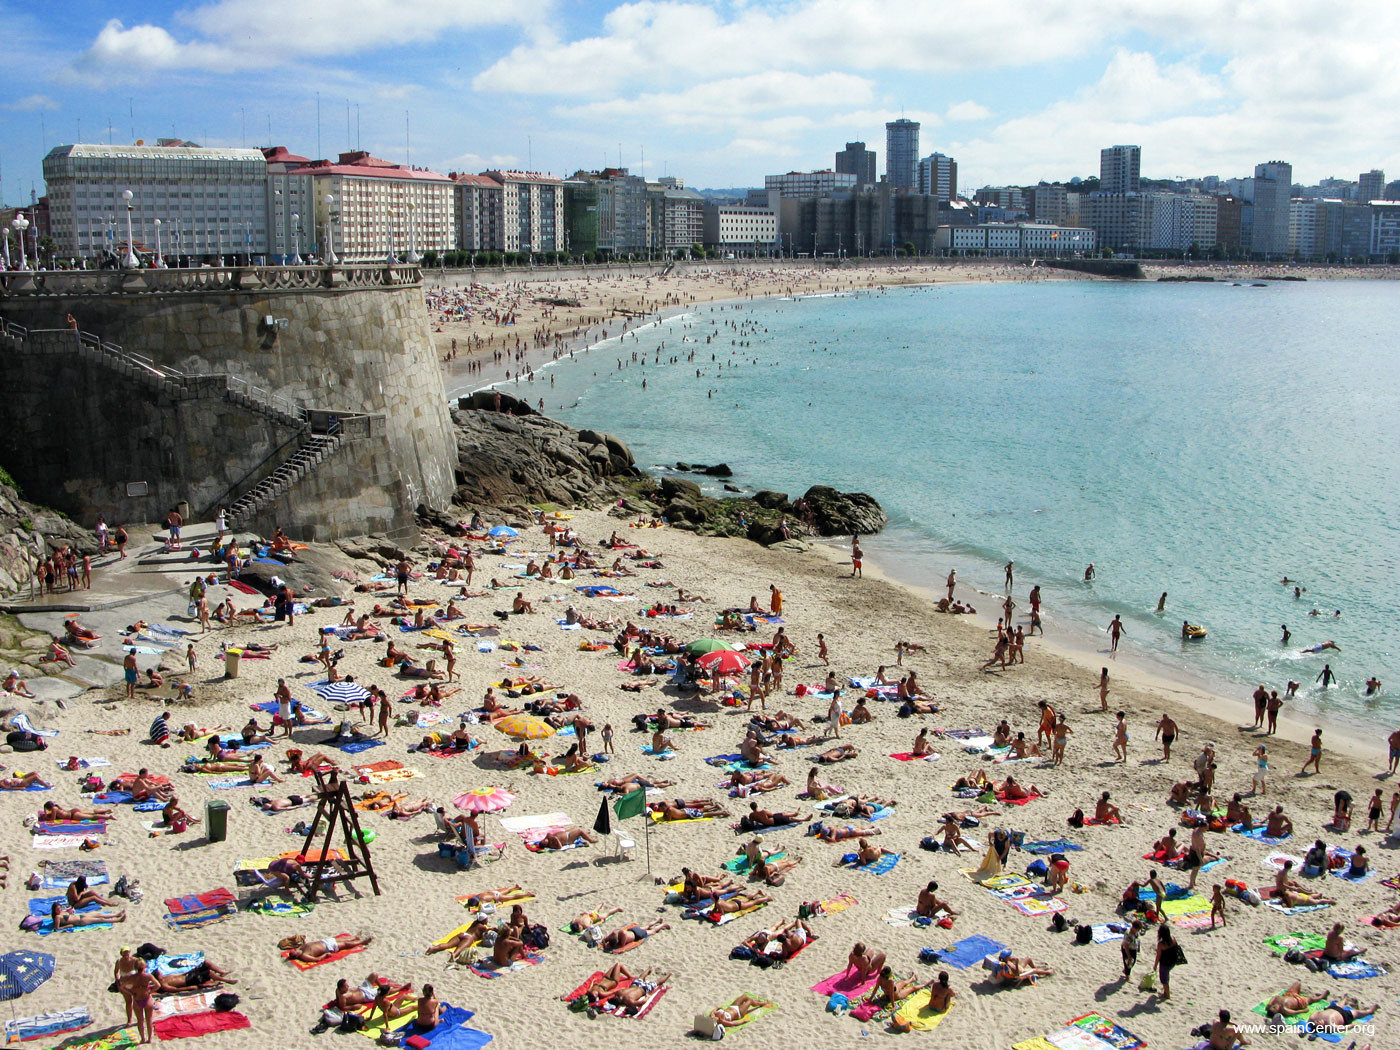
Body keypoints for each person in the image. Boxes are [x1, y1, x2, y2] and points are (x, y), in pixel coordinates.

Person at [1153, 924, 1182, 1001]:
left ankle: (1167, 995)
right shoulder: (1173, 939)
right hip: (1172, 961)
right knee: (1166, 977)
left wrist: (1155, 965)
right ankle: (1165, 993)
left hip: (1165, 963)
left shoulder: (1161, 944)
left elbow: (1158, 956)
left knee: (1164, 979)